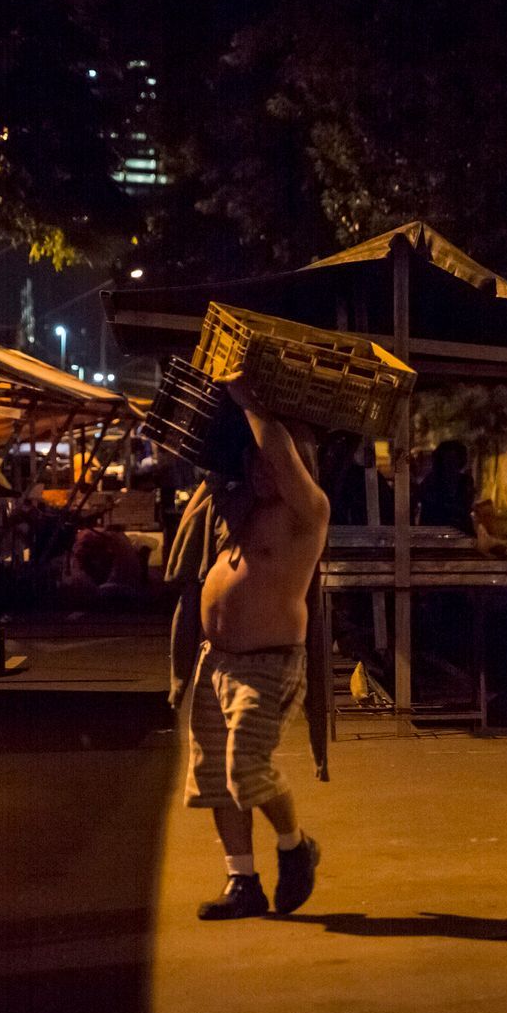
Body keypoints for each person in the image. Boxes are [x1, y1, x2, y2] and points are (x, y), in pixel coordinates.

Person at [182, 372, 329, 920]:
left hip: (268, 665)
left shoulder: (305, 515)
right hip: (215, 662)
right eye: (255, 463)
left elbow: (283, 460)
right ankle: (242, 881)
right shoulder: (238, 511)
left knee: (247, 768)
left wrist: (250, 398)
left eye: (275, 462)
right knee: (216, 780)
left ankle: (295, 848)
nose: (264, 469)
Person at [415, 439, 476, 535]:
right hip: (433, 535)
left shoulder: (465, 481)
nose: (451, 465)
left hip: (461, 535)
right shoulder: (431, 481)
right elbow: (430, 509)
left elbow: (467, 507)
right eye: (448, 460)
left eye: (455, 460)